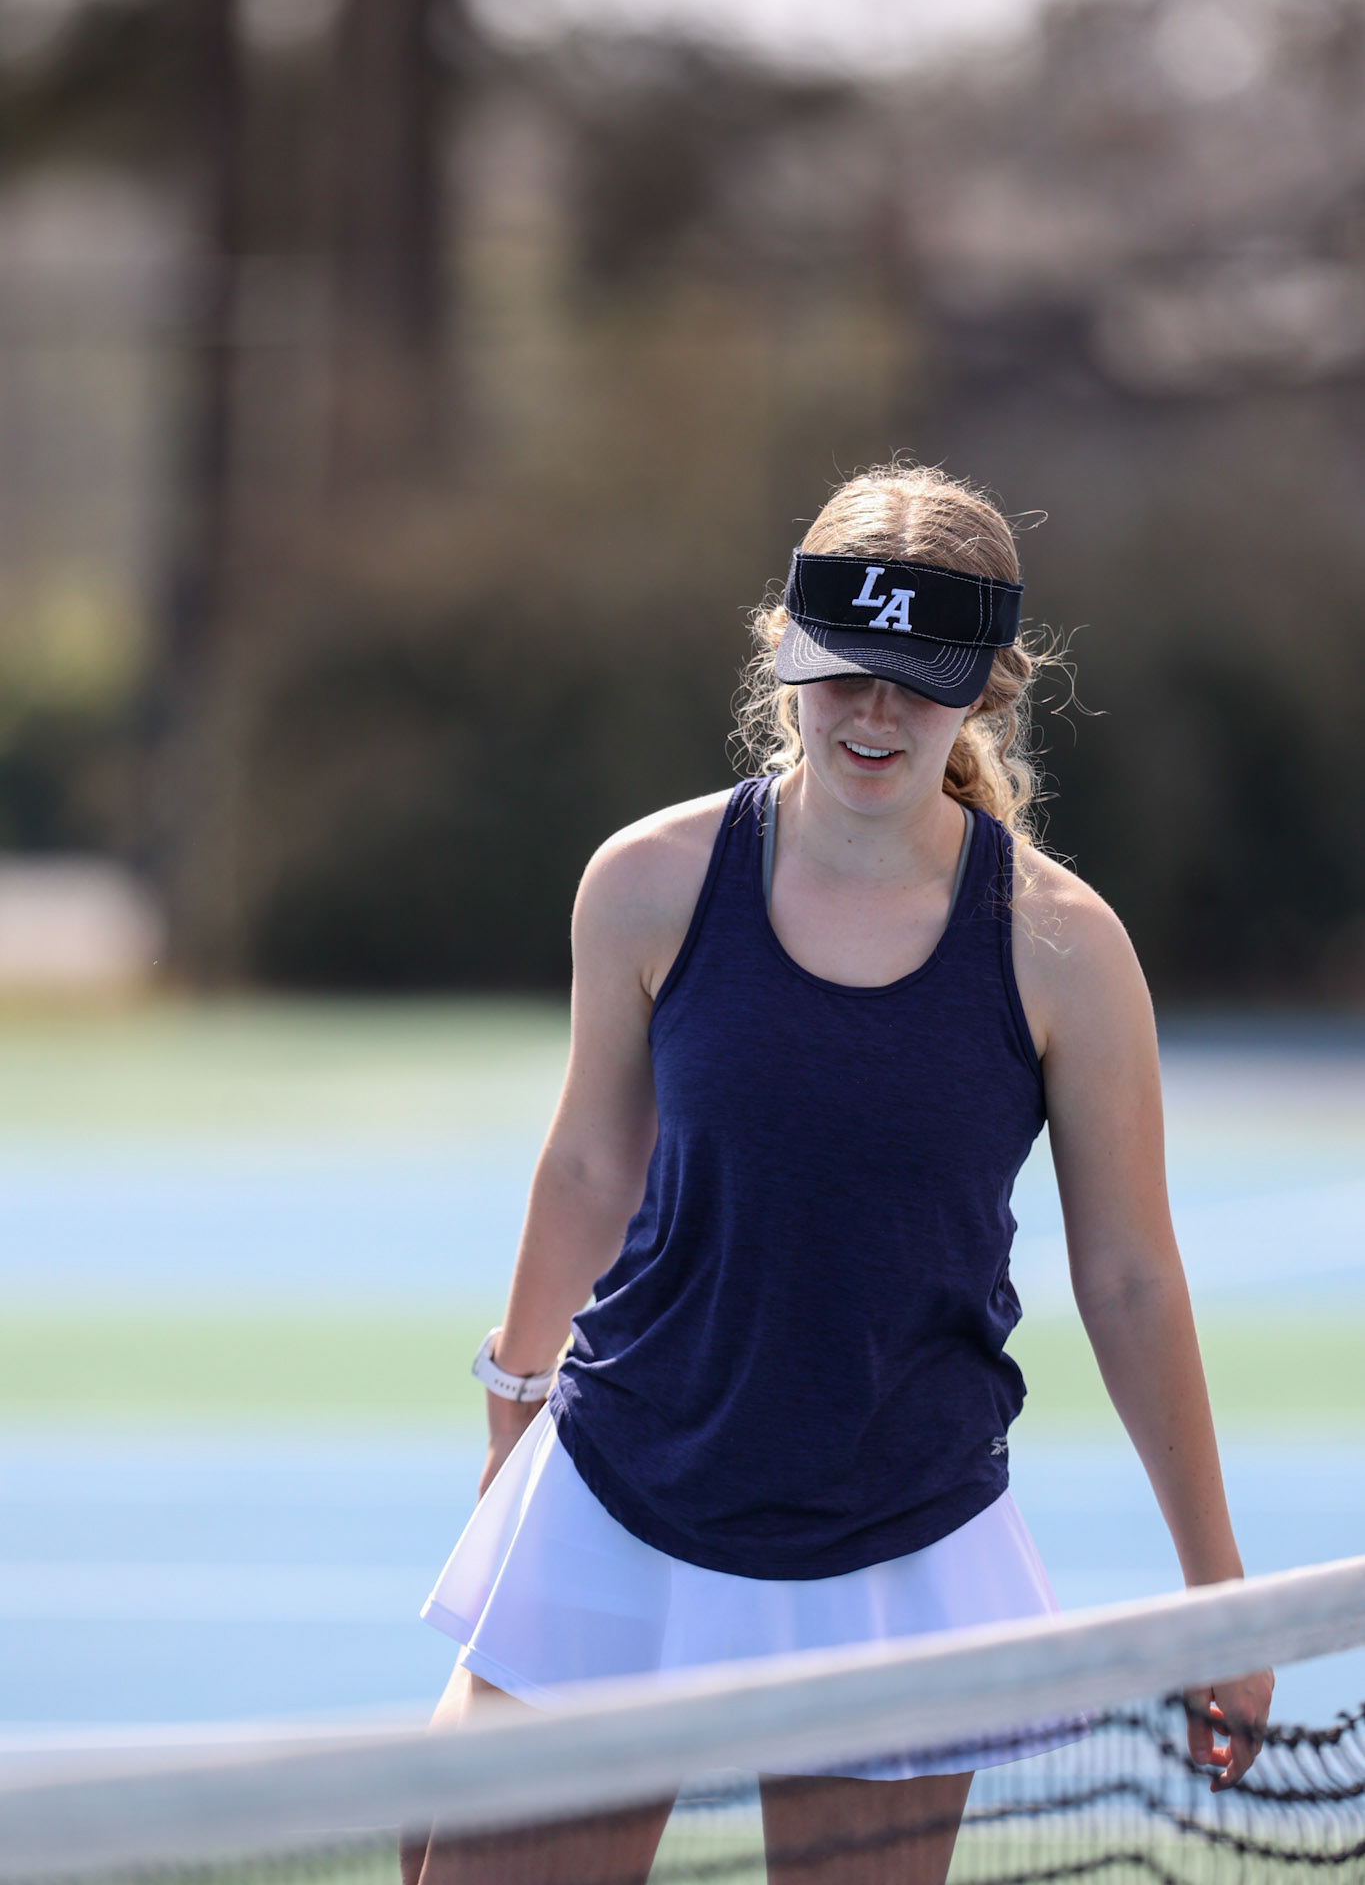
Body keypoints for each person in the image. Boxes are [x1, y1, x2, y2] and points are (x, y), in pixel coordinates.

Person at [405, 463, 1273, 1885]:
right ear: (785, 654)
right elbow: (586, 1162)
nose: (871, 715)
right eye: (841, 673)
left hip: (900, 1535)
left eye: (916, 682)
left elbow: (1123, 1273)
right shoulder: (648, 879)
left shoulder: (1064, 948)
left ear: (987, 687)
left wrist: (1215, 1595)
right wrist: (512, 1409)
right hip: (624, 1489)